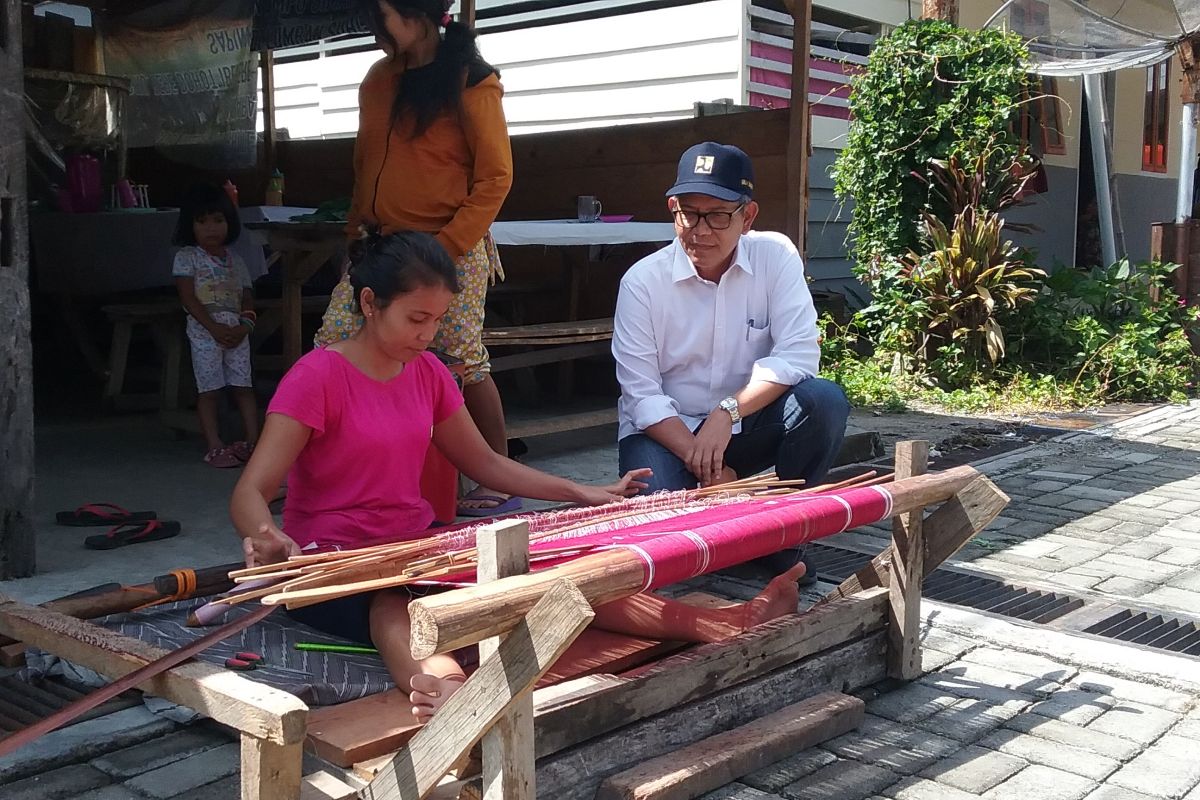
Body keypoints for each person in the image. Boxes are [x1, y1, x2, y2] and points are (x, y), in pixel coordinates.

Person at [231, 231, 809, 722]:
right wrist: (264, 533)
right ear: (368, 302)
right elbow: (251, 491)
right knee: (400, 605)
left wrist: (583, 495)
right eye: (416, 318)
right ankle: (441, 690)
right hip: (330, 560)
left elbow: (484, 464)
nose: (428, 333)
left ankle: (719, 621)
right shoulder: (318, 378)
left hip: (416, 544)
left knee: (560, 575)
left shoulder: (428, 372)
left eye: (437, 320)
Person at [314, 0, 517, 517]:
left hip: (450, 245)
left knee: (460, 357)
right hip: (381, 243)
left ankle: (498, 468)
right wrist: (355, 231)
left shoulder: (472, 79)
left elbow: (496, 177)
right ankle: (327, 467)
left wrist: (445, 249)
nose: (376, 28)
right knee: (336, 340)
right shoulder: (379, 79)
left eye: (384, 15)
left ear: (419, 11)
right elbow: (365, 161)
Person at [612, 142, 851, 574]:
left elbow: (798, 354)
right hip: (666, 433)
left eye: (718, 215)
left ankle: (785, 536)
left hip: (744, 424)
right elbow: (641, 395)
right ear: (673, 208)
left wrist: (727, 411)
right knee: (667, 543)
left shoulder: (775, 257)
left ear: (748, 217)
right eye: (688, 213)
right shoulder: (642, 283)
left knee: (824, 401)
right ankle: (739, 517)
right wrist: (710, 469)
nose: (700, 230)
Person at [173, 184, 259, 468]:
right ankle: (214, 445)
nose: (212, 228)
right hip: (204, 334)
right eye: (202, 221)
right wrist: (212, 328)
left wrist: (244, 326)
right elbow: (188, 297)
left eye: (219, 220)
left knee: (243, 387)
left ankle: (253, 441)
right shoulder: (188, 257)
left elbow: (247, 297)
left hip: (236, 333)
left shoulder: (238, 261)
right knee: (209, 391)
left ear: (230, 222)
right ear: (190, 225)